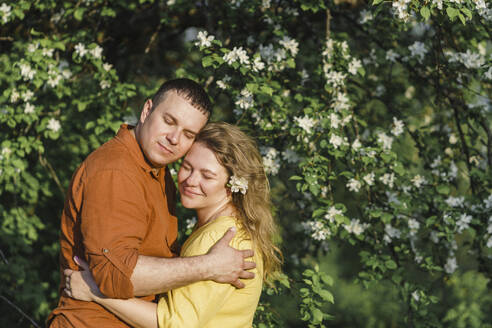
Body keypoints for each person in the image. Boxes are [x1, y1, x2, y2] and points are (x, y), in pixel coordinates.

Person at [48, 80, 256, 327]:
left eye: (188, 134)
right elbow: (116, 276)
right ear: (147, 111)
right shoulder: (116, 171)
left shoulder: (157, 170)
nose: (174, 138)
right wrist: (209, 265)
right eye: (169, 121)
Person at [64, 122, 283, 328]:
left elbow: (174, 323)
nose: (191, 180)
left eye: (207, 176)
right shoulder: (218, 228)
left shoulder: (223, 237)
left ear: (231, 187)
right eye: (187, 167)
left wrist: (95, 290)